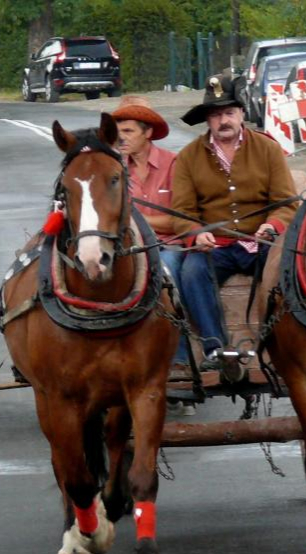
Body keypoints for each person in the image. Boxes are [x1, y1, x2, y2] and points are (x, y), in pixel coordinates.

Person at [172, 74, 297, 370]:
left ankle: (284, 340)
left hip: (263, 241)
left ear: (241, 114)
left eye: (229, 112)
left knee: (289, 269)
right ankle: (215, 349)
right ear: (207, 121)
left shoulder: (268, 149)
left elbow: (286, 203)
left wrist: (272, 227)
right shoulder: (188, 158)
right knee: (191, 271)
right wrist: (196, 234)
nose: (223, 120)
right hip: (216, 246)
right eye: (216, 115)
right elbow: (182, 211)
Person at [113, 96, 195, 414]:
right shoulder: (115, 169)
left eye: (128, 130)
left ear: (147, 132)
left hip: (168, 246)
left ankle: (180, 363)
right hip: (129, 250)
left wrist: (137, 220)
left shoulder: (173, 164)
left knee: (168, 278)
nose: (121, 137)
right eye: (118, 130)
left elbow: (179, 218)